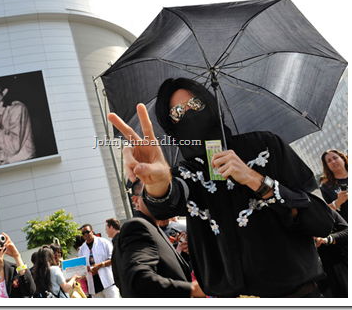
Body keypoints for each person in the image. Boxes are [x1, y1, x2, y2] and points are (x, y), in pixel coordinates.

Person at [107, 77, 334, 298]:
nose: (190, 114)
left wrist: (254, 179)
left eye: (196, 104)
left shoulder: (265, 146)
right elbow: (169, 200)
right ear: (171, 128)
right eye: (177, 113)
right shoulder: (188, 173)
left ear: (211, 104)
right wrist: (157, 184)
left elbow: (321, 219)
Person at [114, 178, 204, 298]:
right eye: (151, 193)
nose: (160, 198)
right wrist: (192, 289)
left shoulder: (152, 227)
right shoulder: (137, 226)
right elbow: (139, 281)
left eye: (164, 193)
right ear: (136, 201)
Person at [77, 224, 119, 298]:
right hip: (93, 284)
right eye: (83, 233)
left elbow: (113, 259)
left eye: (87, 232)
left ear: (92, 232)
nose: (86, 234)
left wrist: (100, 264)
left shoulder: (104, 242)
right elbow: (81, 266)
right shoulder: (82, 249)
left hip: (108, 281)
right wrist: (84, 269)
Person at [314, 208, 348, 298]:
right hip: (311, 272)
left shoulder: (323, 209)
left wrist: (325, 240)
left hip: (335, 263)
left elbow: (348, 232)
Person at [319, 149, 348, 222]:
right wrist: (338, 202)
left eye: (335, 158)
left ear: (343, 159)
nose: (333, 162)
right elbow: (324, 213)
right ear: (327, 166)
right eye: (329, 161)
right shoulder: (325, 187)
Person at [105, 218, 121, 292]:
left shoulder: (121, 239)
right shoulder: (117, 240)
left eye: (106, 229)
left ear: (111, 227)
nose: (106, 232)